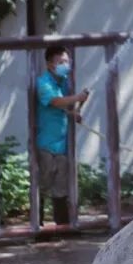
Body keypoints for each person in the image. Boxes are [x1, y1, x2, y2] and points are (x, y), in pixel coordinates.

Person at [36, 45, 88, 226]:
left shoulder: (63, 82)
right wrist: (77, 98)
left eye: (67, 61)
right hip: (46, 143)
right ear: (50, 64)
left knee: (61, 186)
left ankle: (63, 225)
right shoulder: (43, 83)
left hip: (62, 144)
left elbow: (62, 108)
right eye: (61, 62)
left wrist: (74, 113)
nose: (65, 65)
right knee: (43, 183)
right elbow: (55, 101)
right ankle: (37, 226)